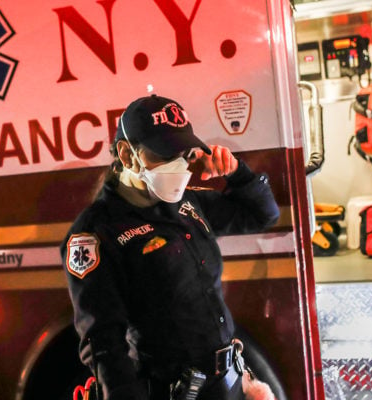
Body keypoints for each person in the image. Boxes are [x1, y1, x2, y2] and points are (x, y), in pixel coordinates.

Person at [61, 94, 280, 400]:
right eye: (165, 154)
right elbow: (103, 342)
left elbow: (264, 214)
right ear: (126, 155)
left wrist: (236, 172)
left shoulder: (187, 202)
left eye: (185, 153)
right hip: (174, 391)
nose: (179, 165)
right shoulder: (96, 231)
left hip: (228, 383)